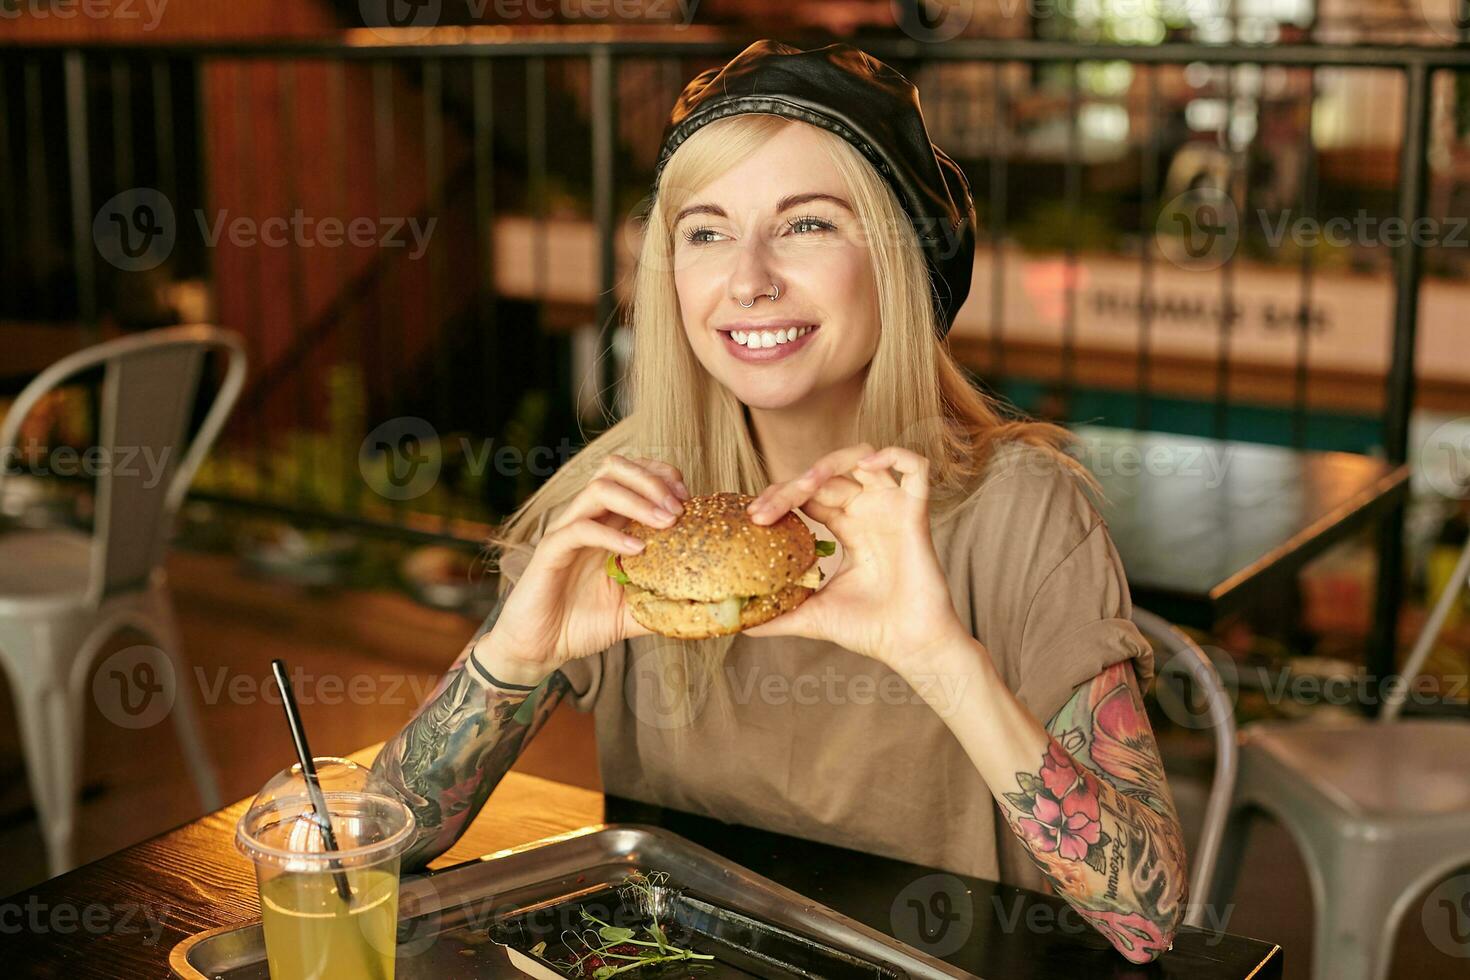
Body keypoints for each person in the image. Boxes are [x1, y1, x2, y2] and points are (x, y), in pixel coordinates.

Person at [373, 39, 1188, 964]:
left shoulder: (1021, 511)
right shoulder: (628, 504)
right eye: (706, 231)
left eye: (807, 224)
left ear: (900, 260)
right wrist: (518, 653)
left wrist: (940, 657)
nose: (747, 278)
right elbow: (378, 855)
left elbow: (1146, 916)